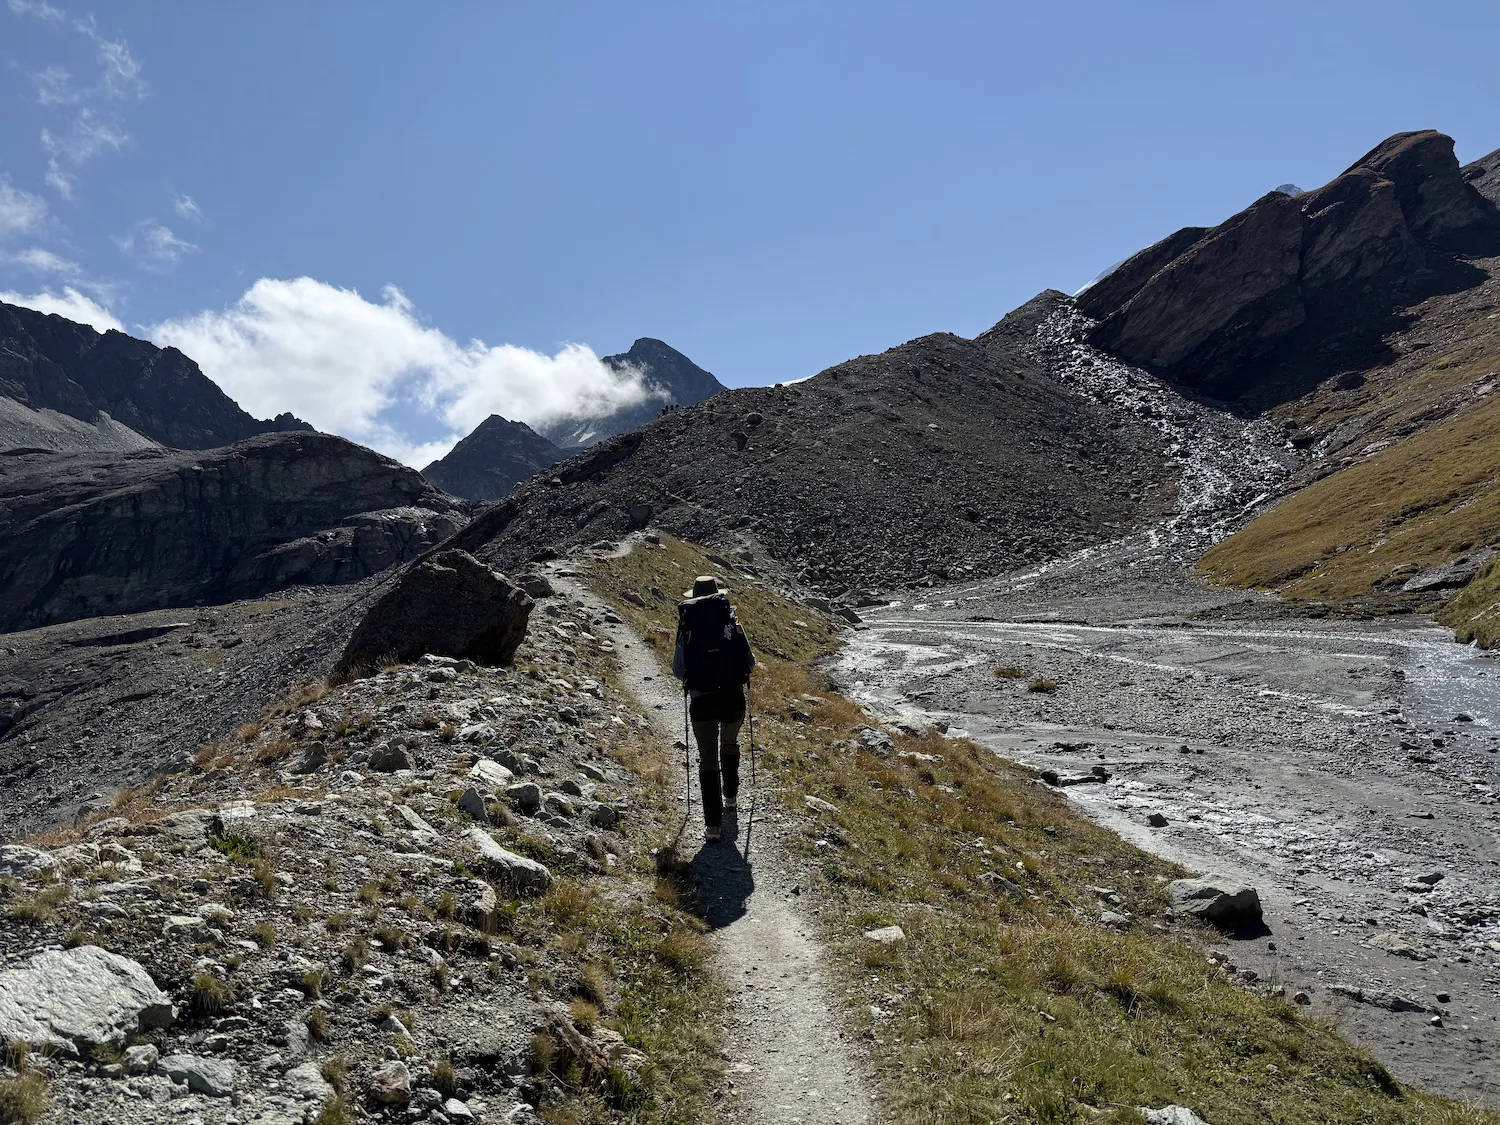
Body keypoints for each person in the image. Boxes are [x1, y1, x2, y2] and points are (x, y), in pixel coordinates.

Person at [672, 575, 755, 842]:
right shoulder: (731, 621)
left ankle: (713, 827)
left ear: (693, 597)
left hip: (702, 701)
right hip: (732, 698)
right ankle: (731, 797)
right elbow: (749, 663)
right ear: (719, 595)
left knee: (707, 757)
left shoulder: (688, 625)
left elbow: (678, 670)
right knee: (729, 744)